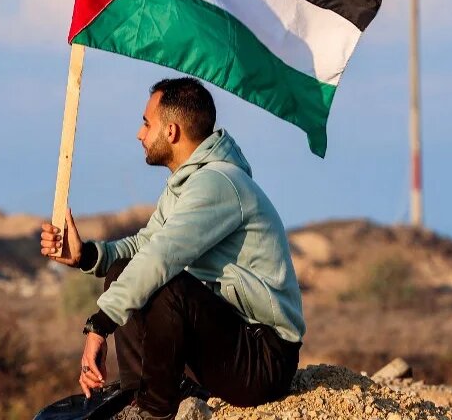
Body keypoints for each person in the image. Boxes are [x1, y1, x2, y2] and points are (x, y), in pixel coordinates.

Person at [40, 77, 305, 420]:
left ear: (171, 131)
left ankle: (155, 411)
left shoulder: (219, 183)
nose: (139, 134)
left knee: (167, 286)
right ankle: (138, 398)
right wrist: (86, 256)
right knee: (124, 270)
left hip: (263, 357)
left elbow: (160, 257)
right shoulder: (186, 184)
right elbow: (145, 246)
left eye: (146, 123)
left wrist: (99, 326)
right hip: (228, 343)